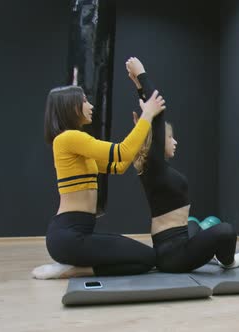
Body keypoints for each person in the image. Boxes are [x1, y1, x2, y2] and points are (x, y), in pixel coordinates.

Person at [126, 57, 239, 272]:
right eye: (170, 138)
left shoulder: (153, 167)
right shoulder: (153, 165)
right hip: (173, 255)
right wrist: (142, 76)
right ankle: (229, 261)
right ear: (156, 142)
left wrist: (140, 91)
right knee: (226, 230)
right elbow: (158, 116)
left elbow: (152, 121)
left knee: (194, 223)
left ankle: (209, 251)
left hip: (176, 242)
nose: (174, 141)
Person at [32, 83, 166, 279]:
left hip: (78, 234)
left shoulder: (74, 144)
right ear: (70, 106)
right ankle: (75, 271)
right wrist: (147, 115)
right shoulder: (69, 138)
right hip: (69, 236)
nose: (91, 106)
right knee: (147, 258)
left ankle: (75, 268)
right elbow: (122, 152)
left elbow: (119, 166)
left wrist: (140, 129)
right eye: (85, 101)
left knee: (145, 258)